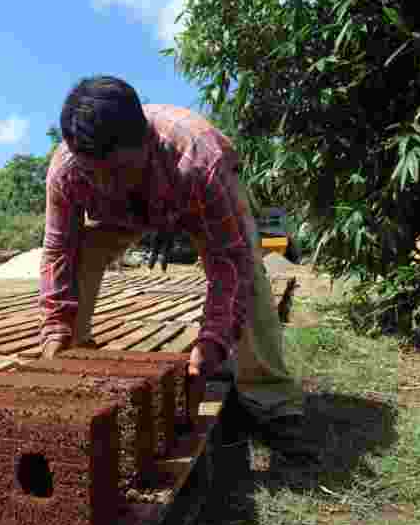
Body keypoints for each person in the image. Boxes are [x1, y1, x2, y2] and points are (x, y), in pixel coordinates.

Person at [38, 75, 313, 459]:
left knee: (247, 268)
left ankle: (271, 402)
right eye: (92, 174)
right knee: (81, 252)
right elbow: (58, 252)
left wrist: (213, 341)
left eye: (115, 172)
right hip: (127, 216)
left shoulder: (198, 158)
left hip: (195, 201)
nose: (103, 183)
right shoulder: (67, 170)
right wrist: (55, 327)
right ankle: (75, 356)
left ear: (145, 142)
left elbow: (227, 262)